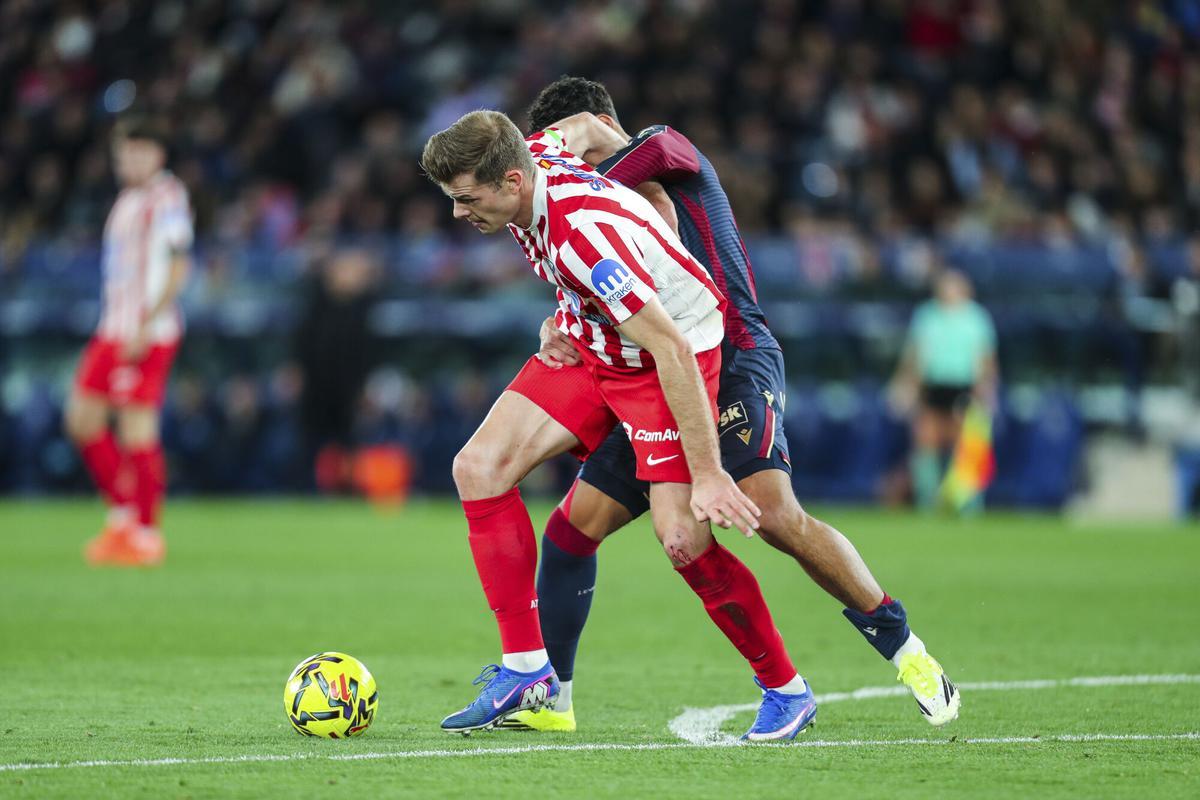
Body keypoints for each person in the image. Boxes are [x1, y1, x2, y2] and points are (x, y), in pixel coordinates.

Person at [502, 76, 959, 732]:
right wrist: (562, 319)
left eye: (574, 142)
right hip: (662, 377)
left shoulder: (661, 148)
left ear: (597, 124)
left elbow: (639, 160)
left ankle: (905, 647)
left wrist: (573, 160)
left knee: (772, 513)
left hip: (737, 355)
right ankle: (554, 698)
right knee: (574, 530)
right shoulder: (584, 220)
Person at [422, 109, 818, 741]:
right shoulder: (533, 155)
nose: (457, 213)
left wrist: (711, 474)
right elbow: (581, 123)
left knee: (682, 539)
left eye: (466, 199)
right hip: (596, 341)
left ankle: (786, 690)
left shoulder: (583, 239)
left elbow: (674, 350)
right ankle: (530, 674)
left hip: (664, 357)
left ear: (512, 184)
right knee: (478, 468)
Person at [65, 119, 192, 567]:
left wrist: (148, 321)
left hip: (146, 332)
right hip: (112, 327)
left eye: (140, 152)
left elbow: (179, 267)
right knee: (82, 420)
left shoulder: (168, 198)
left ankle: (147, 533)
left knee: (137, 428)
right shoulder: (127, 200)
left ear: (158, 155)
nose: (130, 161)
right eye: (125, 154)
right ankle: (122, 518)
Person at [891, 268, 998, 510]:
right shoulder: (926, 315)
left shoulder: (976, 318)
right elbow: (914, 355)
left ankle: (968, 504)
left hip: (963, 387)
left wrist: (987, 390)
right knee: (925, 442)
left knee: (966, 447)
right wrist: (905, 386)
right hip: (933, 386)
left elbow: (986, 359)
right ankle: (927, 500)